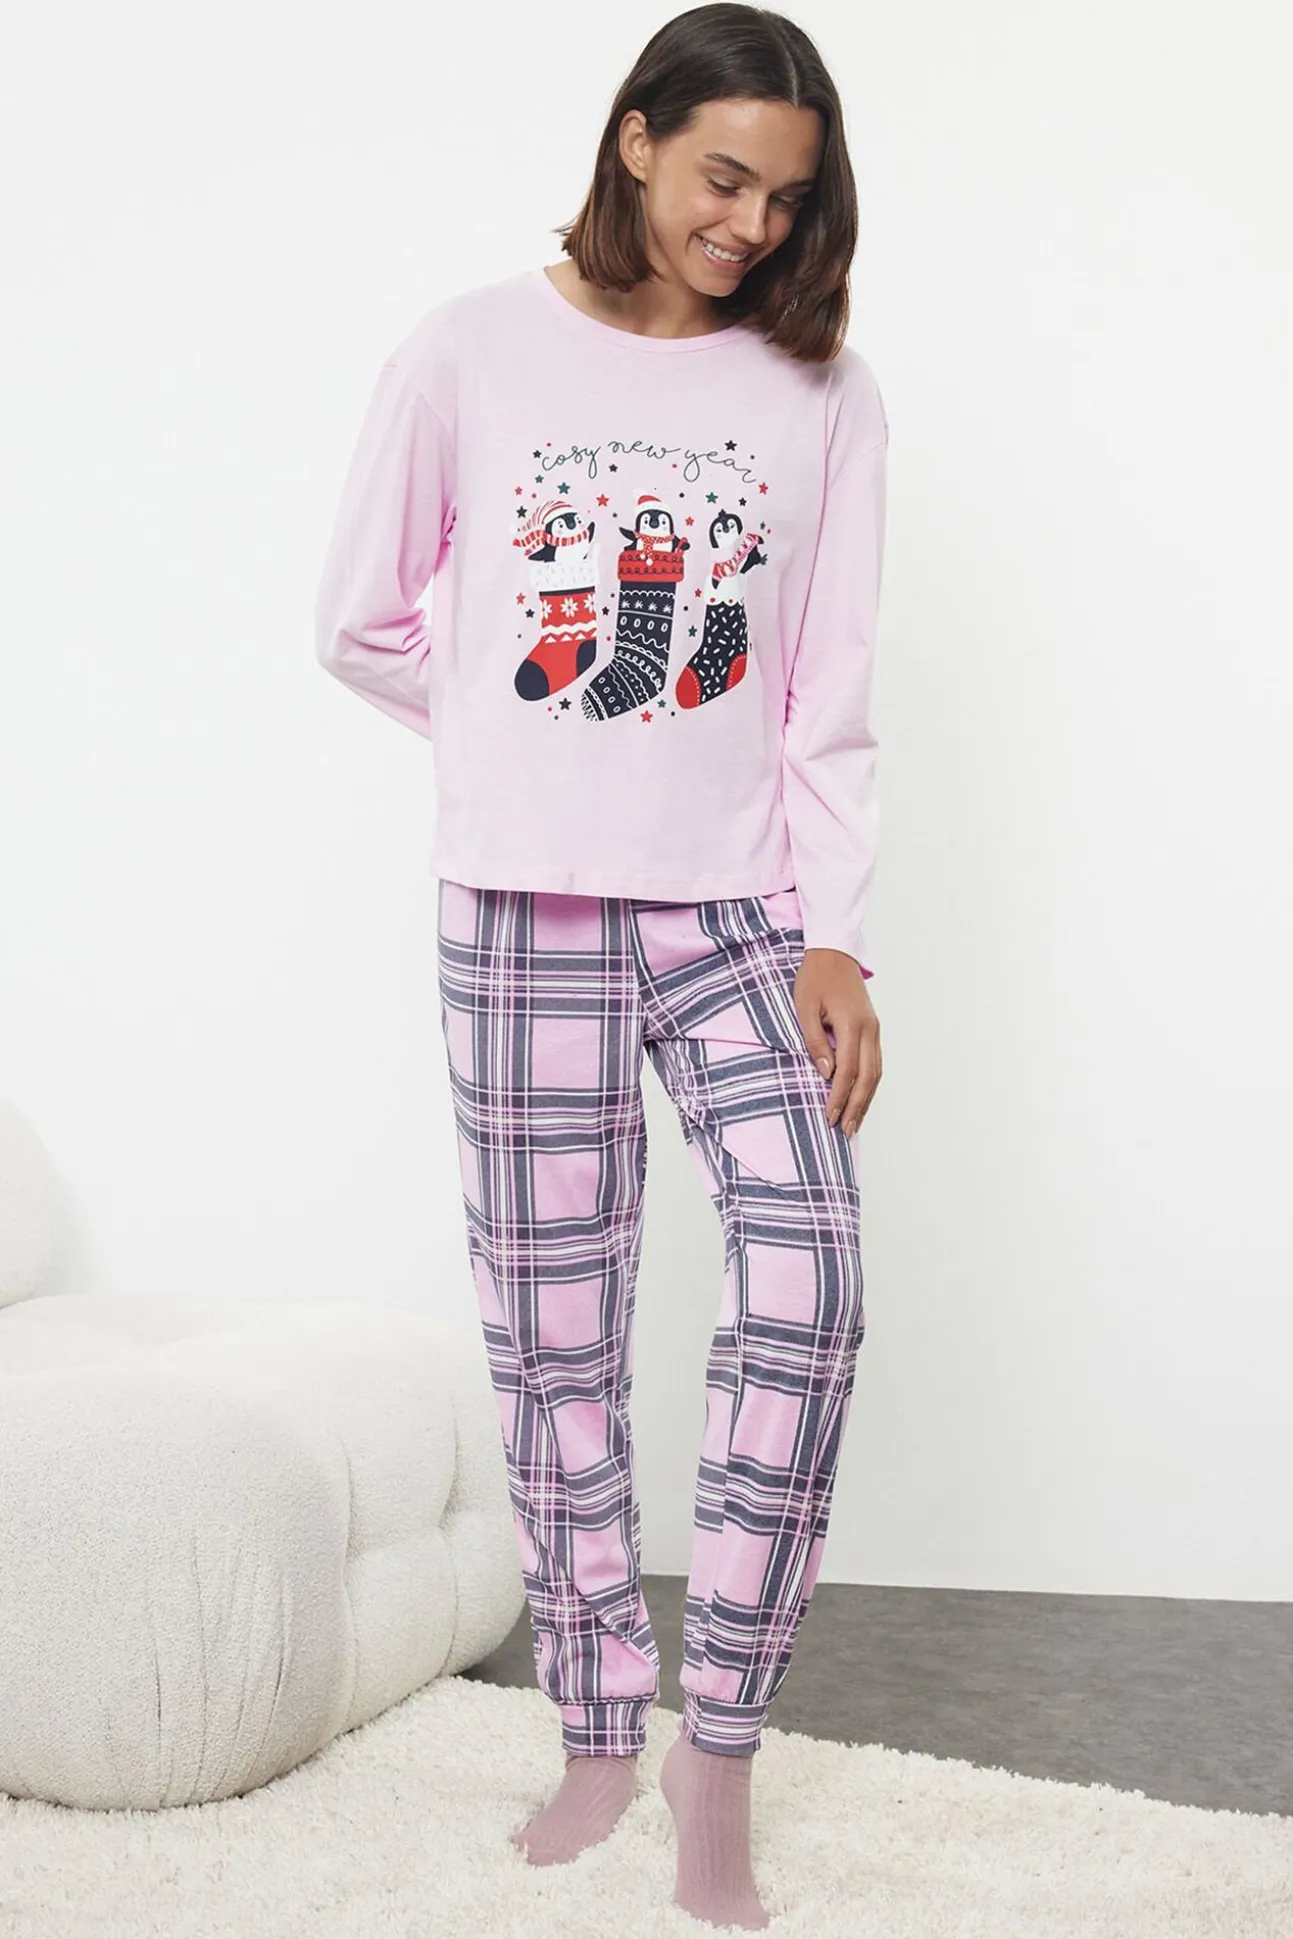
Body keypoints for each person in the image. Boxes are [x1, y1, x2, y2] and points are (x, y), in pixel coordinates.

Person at [313, 5, 889, 1928]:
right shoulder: (468, 350)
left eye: (784, 199)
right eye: (723, 176)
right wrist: (514, 740)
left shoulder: (824, 392)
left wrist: (838, 932)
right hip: (522, 908)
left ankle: (717, 1739)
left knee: (809, 1276)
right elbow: (360, 616)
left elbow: (826, 697)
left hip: (740, 914)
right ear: (634, 137)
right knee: (558, 1333)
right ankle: (594, 1722)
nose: (750, 226)